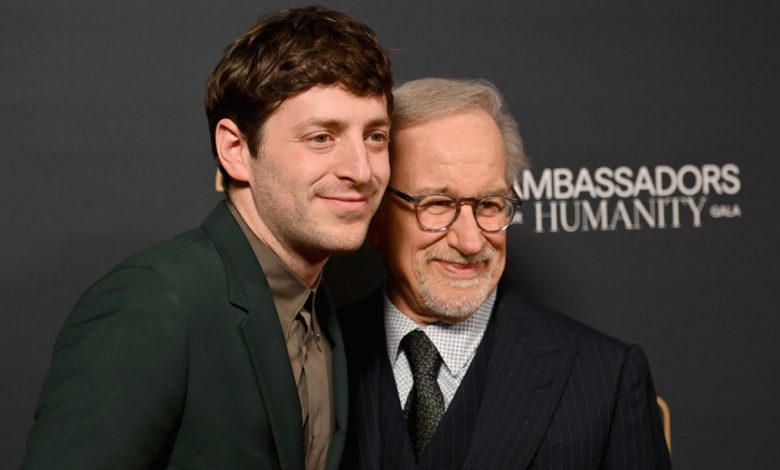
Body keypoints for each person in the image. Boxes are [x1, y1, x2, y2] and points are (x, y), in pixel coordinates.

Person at [22, 6, 392, 470]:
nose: (361, 170)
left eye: (375, 136)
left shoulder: (321, 312)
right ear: (236, 151)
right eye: (321, 137)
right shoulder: (154, 302)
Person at [340, 78, 672, 469]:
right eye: (437, 203)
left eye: (490, 204)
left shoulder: (605, 379)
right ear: (375, 215)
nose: (470, 240)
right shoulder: (315, 354)